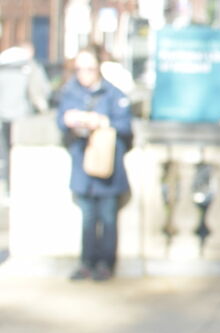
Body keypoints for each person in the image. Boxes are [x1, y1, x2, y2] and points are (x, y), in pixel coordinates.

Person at [56, 48, 133, 282]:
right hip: (83, 164)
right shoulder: (70, 92)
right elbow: (60, 119)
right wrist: (70, 119)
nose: (84, 74)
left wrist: (101, 121)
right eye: (79, 69)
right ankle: (87, 262)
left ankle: (105, 263)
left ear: (98, 68)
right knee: (88, 217)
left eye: (89, 68)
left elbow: (125, 126)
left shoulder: (113, 93)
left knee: (108, 217)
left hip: (107, 166)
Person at [0, 42, 50, 195]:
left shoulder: (3, 64)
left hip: (3, 116)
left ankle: (5, 186)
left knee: (5, 154)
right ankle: (13, 189)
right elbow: (40, 91)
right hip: (23, 117)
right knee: (18, 157)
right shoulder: (30, 67)